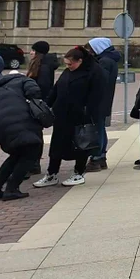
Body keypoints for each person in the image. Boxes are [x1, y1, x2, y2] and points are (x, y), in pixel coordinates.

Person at [34, 46, 105, 188]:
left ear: (80, 61)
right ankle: (51, 174)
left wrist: (87, 111)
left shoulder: (94, 72)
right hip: (61, 115)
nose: (68, 66)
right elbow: (56, 89)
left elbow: (97, 96)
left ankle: (79, 173)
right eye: (66, 64)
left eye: (71, 64)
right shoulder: (67, 72)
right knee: (56, 145)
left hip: (80, 117)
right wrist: (47, 105)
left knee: (80, 145)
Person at [0, 56, 45, 200]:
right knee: (30, 153)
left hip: (2, 127)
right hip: (22, 122)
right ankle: (12, 188)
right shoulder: (20, 79)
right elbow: (35, 92)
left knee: (16, 155)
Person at [86, 37, 121, 173]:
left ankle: (97, 157)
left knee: (97, 129)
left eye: (91, 48)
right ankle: (101, 157)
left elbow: (99, 81)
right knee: (100, 128)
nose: (89, 51)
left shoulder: (104, 62)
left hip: (99, 100)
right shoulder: (107, 60)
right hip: (103, 100)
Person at [25, 41, 58, 175]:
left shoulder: (43, 67)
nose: (31, 53)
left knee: (34, 133)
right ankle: (33, 163)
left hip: (37, 105)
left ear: (38, 53)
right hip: (36, 103)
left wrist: (33, 95)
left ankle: (33, 163)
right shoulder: (40, 64)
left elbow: (43, 86)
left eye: (33, 50)